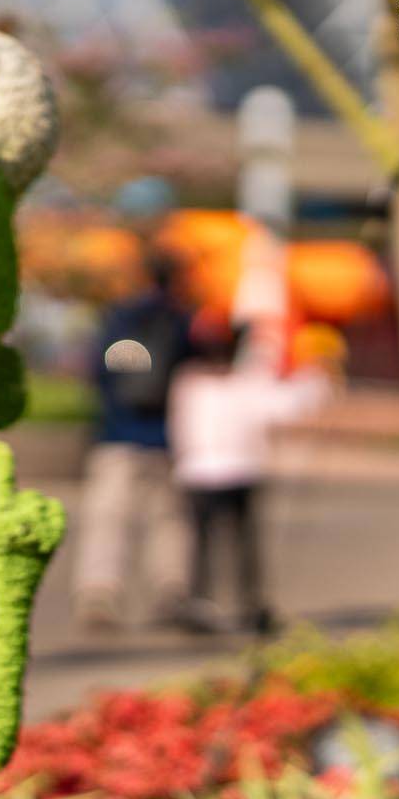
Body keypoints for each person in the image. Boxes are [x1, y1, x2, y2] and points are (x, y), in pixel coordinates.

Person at [72, 180, 192, 630]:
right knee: (169, 520)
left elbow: (101, 367)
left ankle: (99, 593)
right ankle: (170, 591)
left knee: (108, 520)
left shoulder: (120, 317)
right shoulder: (181, 320)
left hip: (116, 432)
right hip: (166, 436)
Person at [167, 317, 332, 636]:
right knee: (243, 543)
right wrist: (317, 378)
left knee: (202, 542)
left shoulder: (189, 382)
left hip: (196, 471)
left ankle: (200, 600)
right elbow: (287, 406)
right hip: (239, 471)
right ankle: (249, 605)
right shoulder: (246, 383)